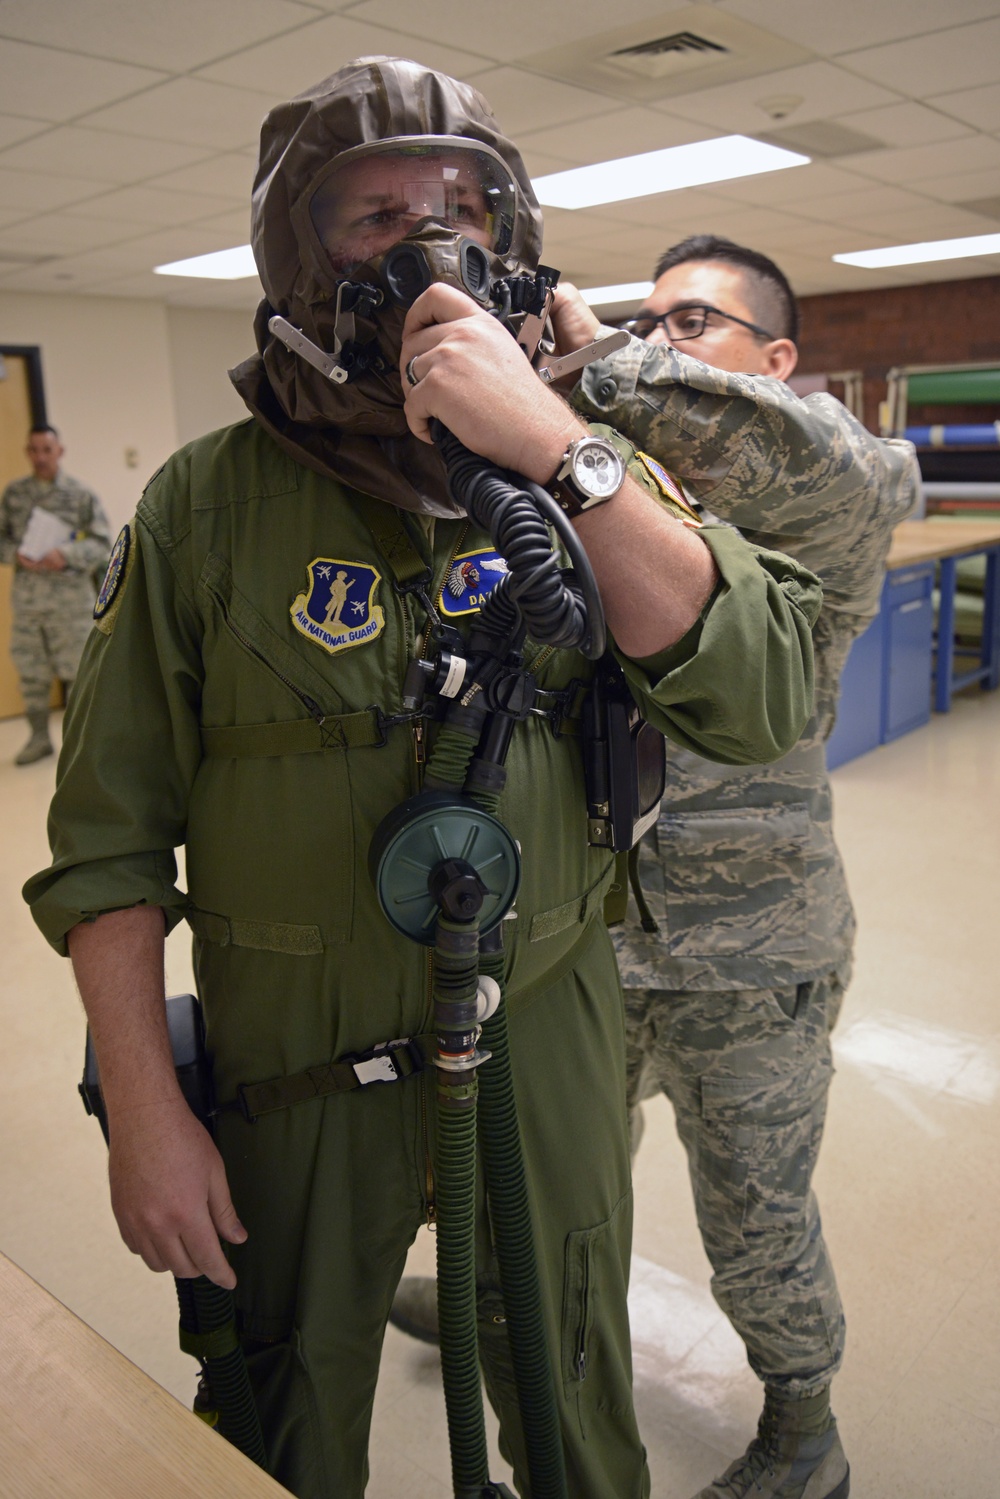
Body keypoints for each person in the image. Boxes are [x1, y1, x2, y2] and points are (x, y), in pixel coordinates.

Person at [24, 70, 822, 1499]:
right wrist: (145, 1103)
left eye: (465, 209)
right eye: (378, 216)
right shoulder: (206, 504)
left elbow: (758, 694)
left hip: (549, 1027)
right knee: (284, 1386)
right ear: (296, 259)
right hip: (292, 1061)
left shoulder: (588, 470)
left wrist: (553, 448)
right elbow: (106, 842)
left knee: (573, 1368)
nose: (432, 243)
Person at [548, 235, 917, 1499]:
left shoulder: (834, 488)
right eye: (643, 319)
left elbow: (843, 469)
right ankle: (515, 1314)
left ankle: (802, 1426)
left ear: (774, 360)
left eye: (689, 322)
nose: (659, 339)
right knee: (544, 1180)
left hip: (751, 956)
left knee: (753, 1225)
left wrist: (597, 360)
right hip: (585, 944)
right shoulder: (609, 494)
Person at [0, 425, 110, 764]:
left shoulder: (80, 495)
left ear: (59, 451)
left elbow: (102, 543)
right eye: (34, 450)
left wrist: (66, 555)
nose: (40, 457)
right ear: (27, 452)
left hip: (70, 601)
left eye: (47, 449)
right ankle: (38, 739)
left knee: (79, 674)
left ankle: (80, 745)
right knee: (32, 672)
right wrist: (15, 553)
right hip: (30, 601)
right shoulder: (14, 494)